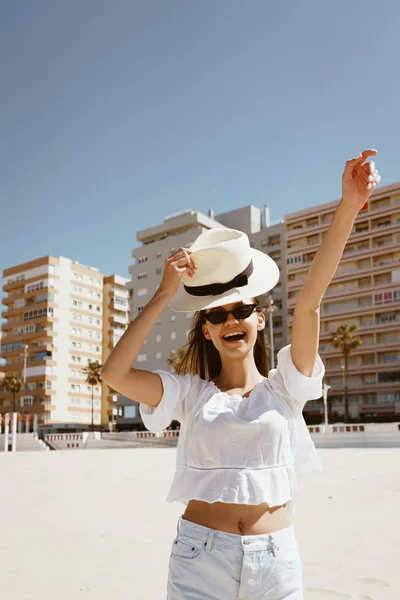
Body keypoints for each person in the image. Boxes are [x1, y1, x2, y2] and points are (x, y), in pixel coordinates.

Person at [101, 150, 380, 599]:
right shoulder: (188, 394)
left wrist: (349, 205)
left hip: (275, 561)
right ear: (207, 330)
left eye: (242, 310)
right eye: (219, 315)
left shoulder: (285, 387)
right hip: (198, 560)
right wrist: (163, 294)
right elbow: (114, 374)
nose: (232, 320)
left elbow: (308, 302)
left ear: (260, 318)